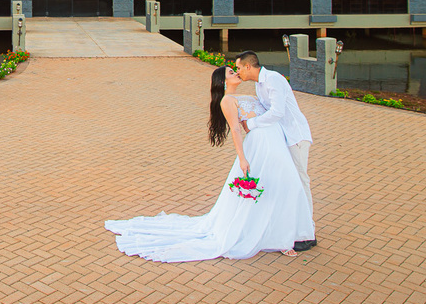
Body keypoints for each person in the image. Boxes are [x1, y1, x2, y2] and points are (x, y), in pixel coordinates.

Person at [105, 65, 314, 261]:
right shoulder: (227, 101)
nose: (236, 73)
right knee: (272, 189)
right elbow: (235, 129)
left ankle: (288, 232)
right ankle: (277, 236)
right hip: (259, 148)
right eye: (231, 73)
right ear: (224, 83)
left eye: (235, 70)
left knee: (282, 187)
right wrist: (242, 158)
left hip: (274, 144)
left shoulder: (252, 94)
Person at [233, 50, 317, 252]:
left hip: (295, 136)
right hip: (282, 138)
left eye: (238, 68)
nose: (238, 72)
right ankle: (294, 227)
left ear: (248, 66)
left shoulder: (273, 80)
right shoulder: (259, 84)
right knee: (289, 182)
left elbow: (277, 112)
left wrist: (250, 124)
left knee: (300, 180)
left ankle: (307, 232)